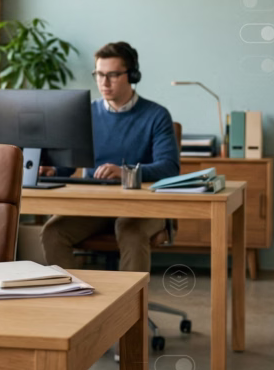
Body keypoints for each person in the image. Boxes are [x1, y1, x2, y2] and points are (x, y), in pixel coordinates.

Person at [39, 41, 179, 273]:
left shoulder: (157, 115)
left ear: (132, 75)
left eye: (112, 75)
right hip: (95, 205)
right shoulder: (85, 113)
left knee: (130, 231)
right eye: (99, 74)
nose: (104, 82)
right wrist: (53, 170)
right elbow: (69, 163)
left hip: (144, 207)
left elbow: (169, 168)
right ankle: (76, 295)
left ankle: (133, 299)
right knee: (53, 232)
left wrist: (126, 173)